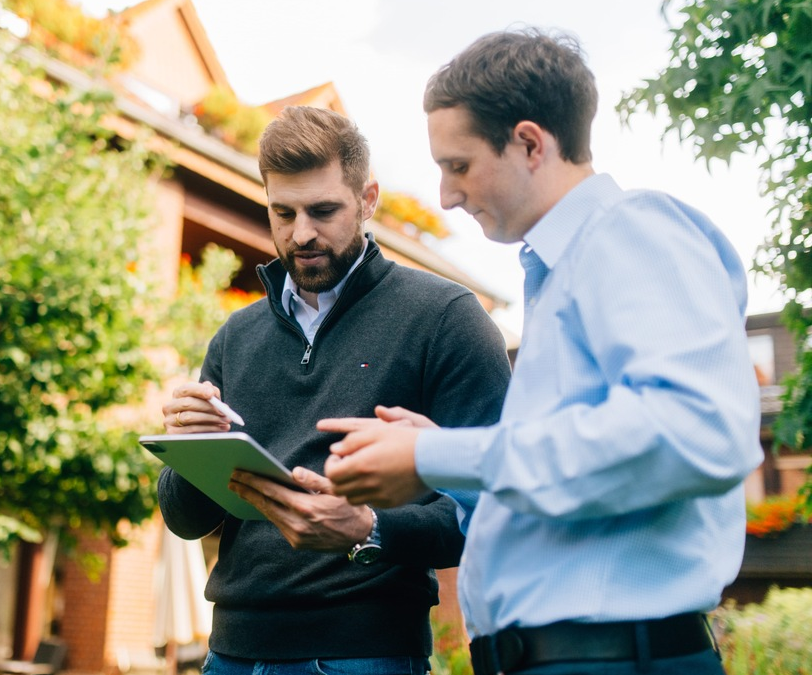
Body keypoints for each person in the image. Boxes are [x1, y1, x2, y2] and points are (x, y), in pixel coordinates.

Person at [320, 30, 763, 675]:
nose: (445, 195)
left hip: (609, 659)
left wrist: (434, 455)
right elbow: (581, 477)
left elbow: (698, 430)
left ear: (530, 143)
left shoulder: (630, 230)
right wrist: (442, 458)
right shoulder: (569, 267)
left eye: (458, 165)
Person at [158, 105, 511, 675]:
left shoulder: (446, 318)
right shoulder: (236, 336)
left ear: (367, 200)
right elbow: (184, 519)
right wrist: (190, 445)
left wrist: (371, 528)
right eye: (283, 212)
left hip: (365, 654)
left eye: (323, 211)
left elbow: (494, 506)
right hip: (230, 655)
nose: (301, 234)